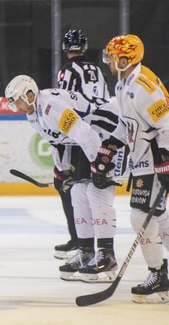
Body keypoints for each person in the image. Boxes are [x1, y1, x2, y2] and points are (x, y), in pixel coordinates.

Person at [92, 34, 169, 303]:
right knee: (157, 217)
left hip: (153, 161)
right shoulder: (124, 85)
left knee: (141, 218)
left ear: (125, 59)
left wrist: (167, 163)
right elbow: (126, 124)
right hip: (143, 160)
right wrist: (109, 147)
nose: (108, 61)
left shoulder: (142, 87)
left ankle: (158, 277)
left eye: (112, 57)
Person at [4, 75, 123, 283]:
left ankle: (107, 255)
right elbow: (58, 142)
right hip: (91, 138)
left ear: (29, 94)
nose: (17, 107)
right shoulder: (34, 114)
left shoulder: (51, 107)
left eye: (17, 101)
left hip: (110, 130)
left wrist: (99, 167)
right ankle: (86, 251)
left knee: (97, 192)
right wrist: (63, 171)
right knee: (77, 191)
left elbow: (87, 136)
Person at [52, 29, 112, 260]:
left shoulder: (67, 71)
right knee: (92, 188)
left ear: (65, 48)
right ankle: (93, 244)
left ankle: (80, 242)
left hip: (80, 131)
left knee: (71, 187)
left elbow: (64, 102)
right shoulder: (98, 69)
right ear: (84, 47)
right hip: (102, 131)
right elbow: (105, 101)